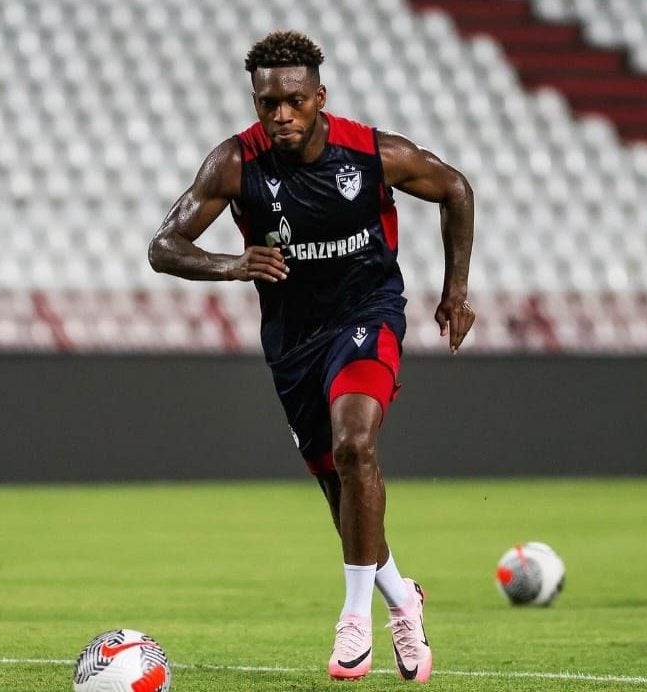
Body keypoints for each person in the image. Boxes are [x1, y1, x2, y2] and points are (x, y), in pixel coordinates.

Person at [148, 30, 475, 683]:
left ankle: (355, 618)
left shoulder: (374, 154)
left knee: (357, 447)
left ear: (319, 97)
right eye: (268, 104)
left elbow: (456, 189)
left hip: (367, 315)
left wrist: (455, 291)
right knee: (339, 487)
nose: (281, 117)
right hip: (294, 341)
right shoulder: (235, 165)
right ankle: (402, 598)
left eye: (294, 102)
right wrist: (232, 263)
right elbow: (164, 246)